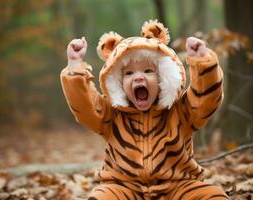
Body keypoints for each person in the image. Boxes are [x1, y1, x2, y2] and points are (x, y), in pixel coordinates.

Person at [60, 20, 228, 200]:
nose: (138, 77)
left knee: (212, 195)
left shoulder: (180, 110)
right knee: (103, 196)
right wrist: (75, 65)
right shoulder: (111, 114)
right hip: (124, 188)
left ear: (163, 76)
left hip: (178, 186)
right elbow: (85, 106)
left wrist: (203, 62)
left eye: (148, 71)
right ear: (118, 83)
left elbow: (205, 99)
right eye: (129, 73)